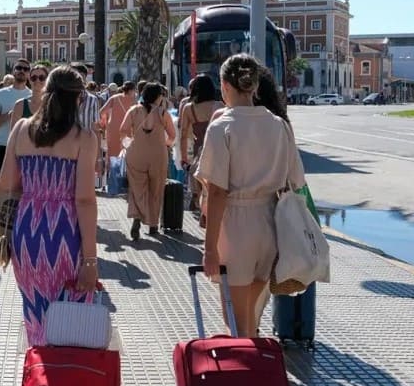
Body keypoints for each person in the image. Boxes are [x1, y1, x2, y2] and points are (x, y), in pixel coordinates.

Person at [196, 54, 305, 338]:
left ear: (224, 85)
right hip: (269, 223)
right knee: (249, 316)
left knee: (235, 320)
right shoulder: (279, 125)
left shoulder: (223, 126)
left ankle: (246, 376)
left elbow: (217, 191)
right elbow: (295, 180)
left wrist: (209, 249)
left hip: (235, 226)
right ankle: (253, 370)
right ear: (255, 87)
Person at [0, 66, 100, 347]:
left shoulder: (20, 129)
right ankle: (63, 383)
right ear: (78, 99)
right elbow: (85, 200)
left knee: (35, 316)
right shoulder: (84, 139)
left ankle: (39, 379)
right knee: (71, 322)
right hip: (66, 235)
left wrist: (35, 186)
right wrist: (90, 260)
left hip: (27, 233)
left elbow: (6, 181)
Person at [120, 82, 176, 240]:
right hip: (158, 155)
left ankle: (137, 217)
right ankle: (153, 225)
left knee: (137, 188)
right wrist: (165, 145)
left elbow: (123, 132)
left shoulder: (134, 110)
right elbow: (172, 136)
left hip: (136, 154)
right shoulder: (163, 113)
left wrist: (128, 146)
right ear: (158, 97)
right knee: (156, 190)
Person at [179, 75, 224, 212]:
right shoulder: (219, 106)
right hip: (218, 152)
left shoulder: (188, 108)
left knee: (199, 182)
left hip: (200, 152)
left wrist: (184, 158)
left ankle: (200, 205)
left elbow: (183, 135)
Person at [0, 61, 33, 177]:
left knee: (23, 187)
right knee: (0, 185)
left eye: (25, 69)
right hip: (3, 145)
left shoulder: (33, 96)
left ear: (29, 74)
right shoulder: (1, 94)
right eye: (18, 68)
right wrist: (9, 115)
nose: (22, 71)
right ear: (13, 71)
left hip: (26, 148)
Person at [99, 80, 137, 159]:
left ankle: (111, 170)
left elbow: (102, 111)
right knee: (126, 153)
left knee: (112, 153)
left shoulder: (114, 98)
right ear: (131, 90)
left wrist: (104, 122)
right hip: (128, 130)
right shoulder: (134, 101)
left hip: (113, 129)